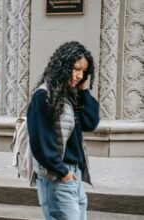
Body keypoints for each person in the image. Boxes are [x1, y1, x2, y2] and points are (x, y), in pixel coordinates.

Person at [27, 41, 100, 220]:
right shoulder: (44, 96)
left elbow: (90, 123)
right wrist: (62, 172)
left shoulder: (69, 94)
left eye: (83, 71)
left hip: (74, 174)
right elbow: (40, 142)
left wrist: (83, 91)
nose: (79, 75)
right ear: (63, 66)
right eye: (76, 69)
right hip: (58, 176)